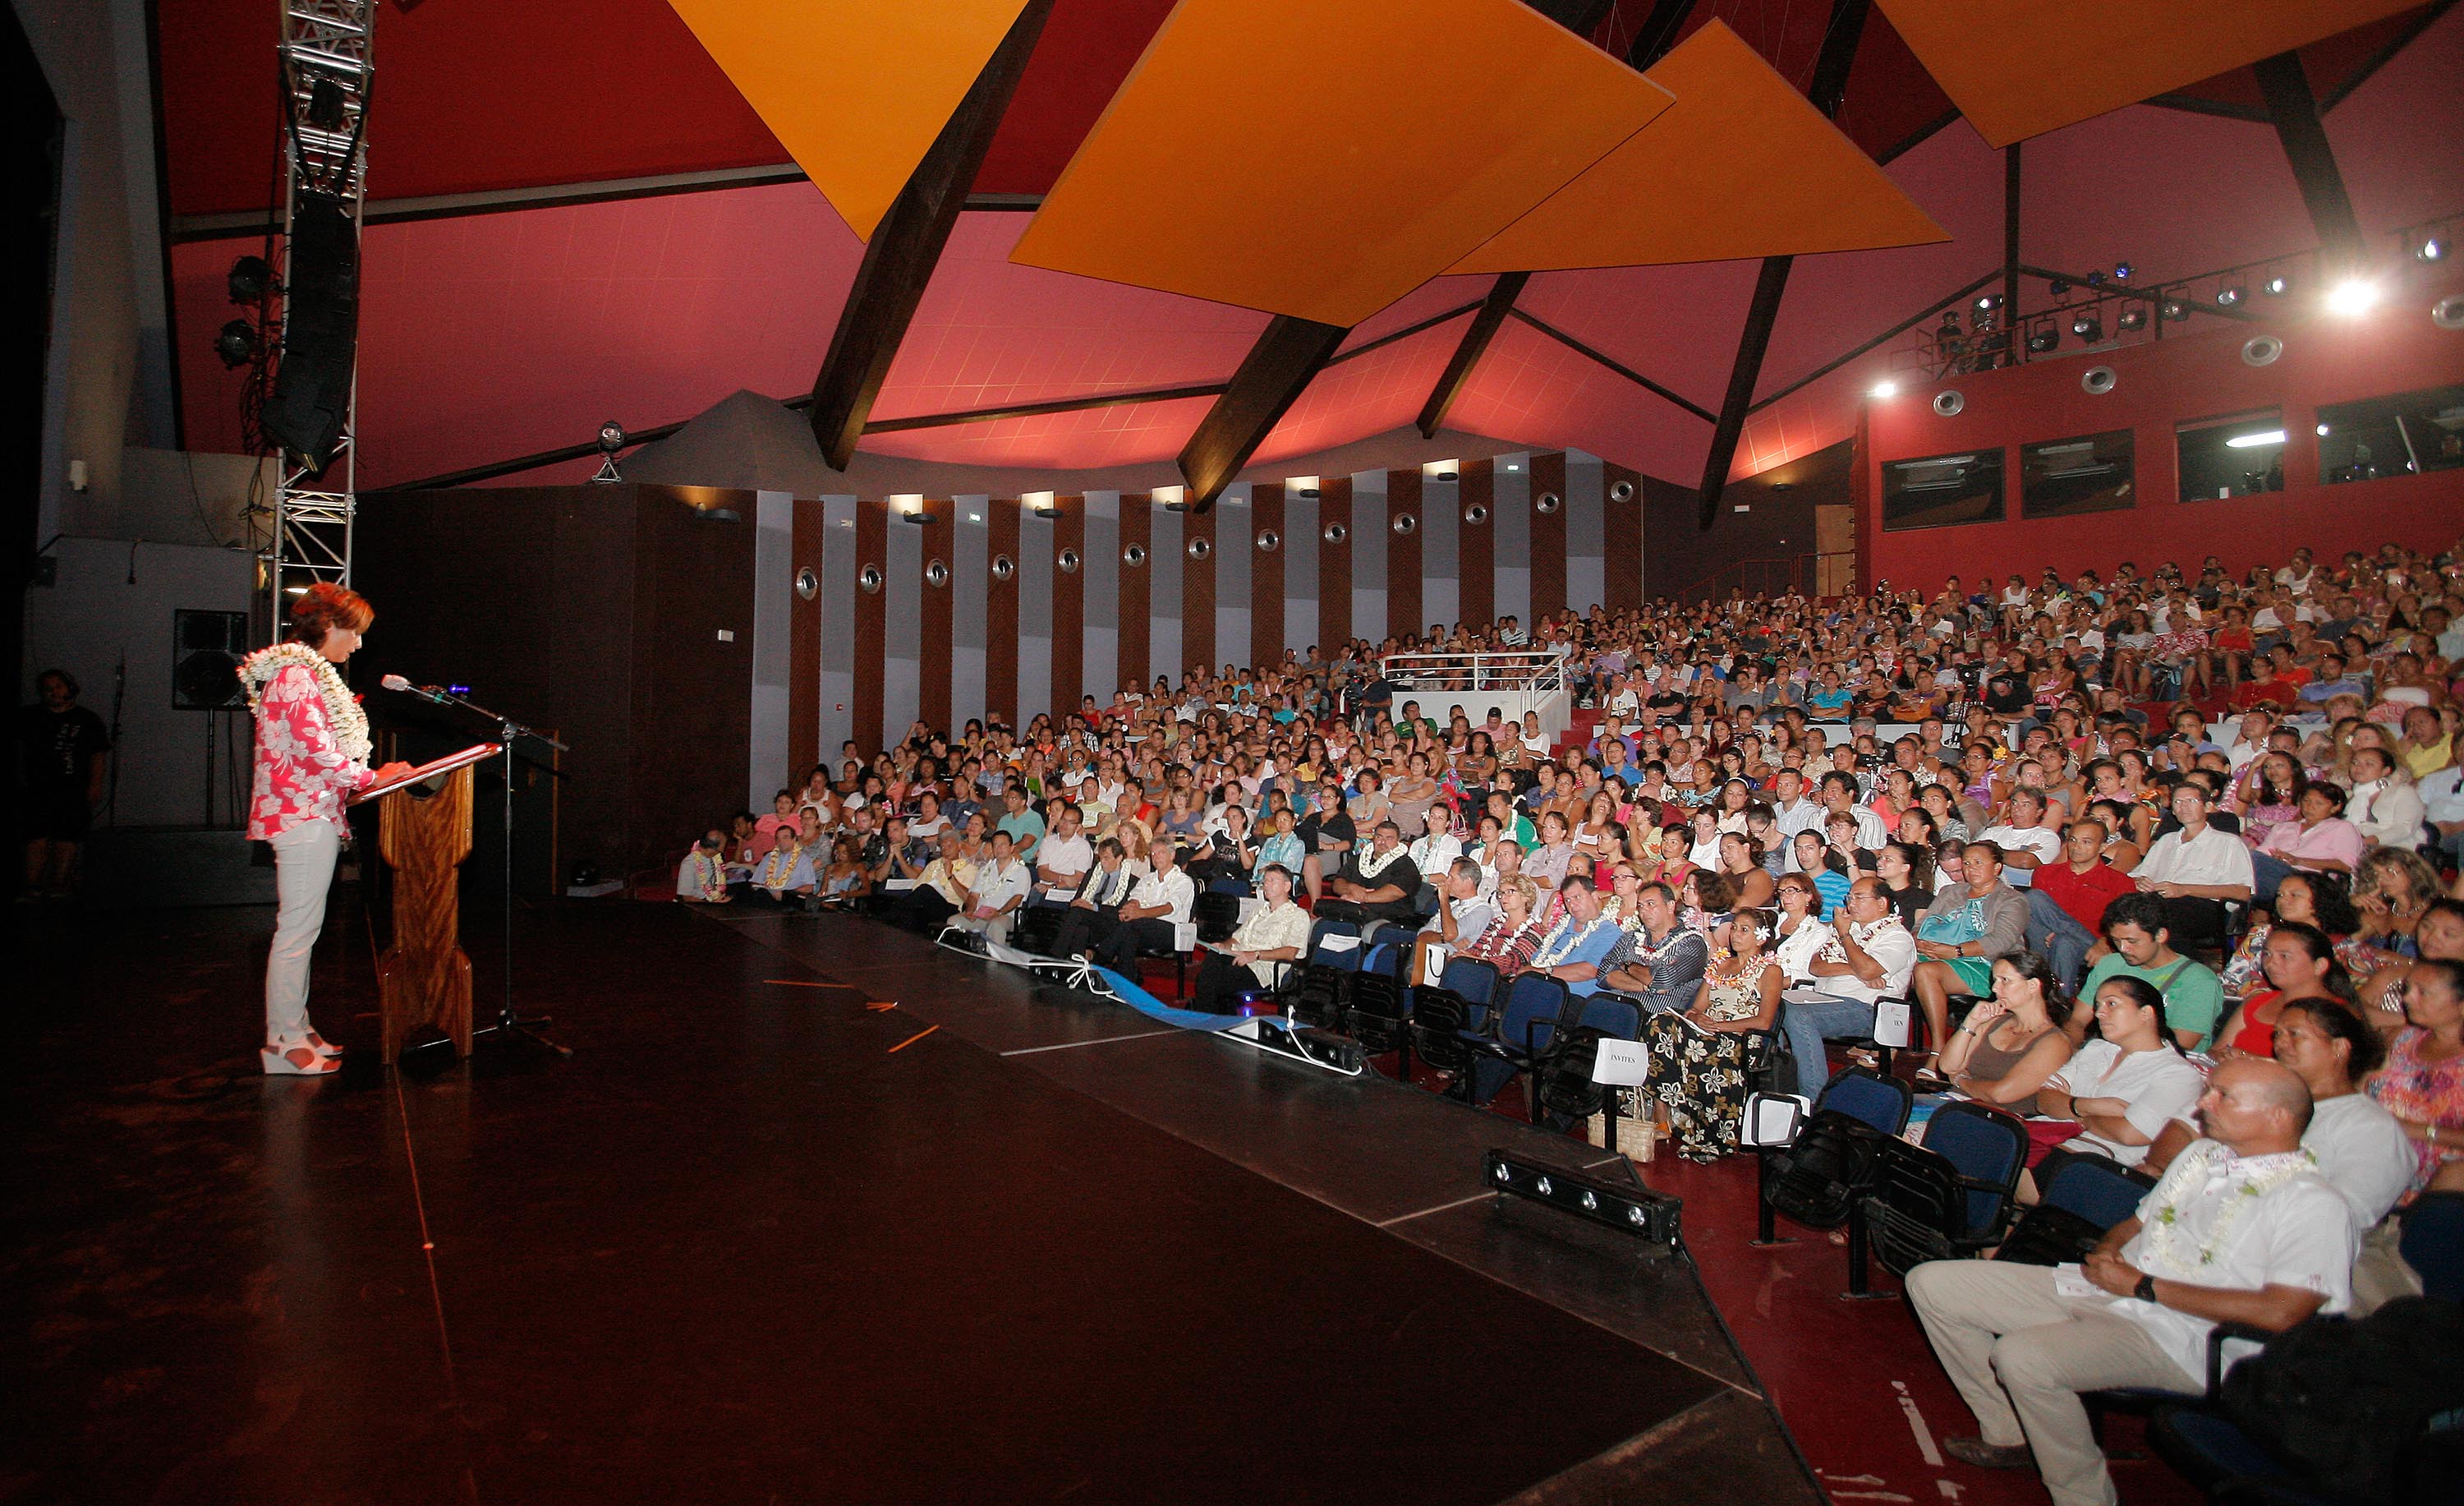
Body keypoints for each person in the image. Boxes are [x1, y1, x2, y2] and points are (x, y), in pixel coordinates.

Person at [1905, 1058, 2355, 1506]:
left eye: (2223, 1096)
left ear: (2278, 1116)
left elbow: (2284, 1312)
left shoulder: (2314, 1203)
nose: (2203, 1104)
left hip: (2191, 1337)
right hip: (2112, 1290)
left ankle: (2083, 1497)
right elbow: (2136, 1222)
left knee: (2022, 1357)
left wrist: (2142, 1286)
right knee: (1932, 1284)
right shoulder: (2202, 1155)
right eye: (2209, 1090)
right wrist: (2108, 1252)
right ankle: (2011, 1432)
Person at [240, 584, 414, 1075]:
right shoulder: (297, 676)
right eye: (354, 633)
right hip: (300, 816)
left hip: (310, 813)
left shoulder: (303, 675)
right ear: (329, 627)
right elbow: (315, 750)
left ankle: (296, 1025)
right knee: (296, 932)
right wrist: (371, 777)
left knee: (304, 930)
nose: (357, 645)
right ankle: (281, 1040)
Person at [2033, 975, 2209, 1178]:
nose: (2099, 1013)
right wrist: (2093, 1106)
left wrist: (2075, 1114)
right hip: (2047, 1139)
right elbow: (2044, 1100)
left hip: (2096, 1163)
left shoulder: (2177, 1073)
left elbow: (2131, 1134)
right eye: (2098, 1005)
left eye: (2112, 1004)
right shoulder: (2097, 1049)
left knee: (2006, 1161)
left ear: (2146, 1013)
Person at [1643, 906, 1783, 1162]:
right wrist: (1698, 1018)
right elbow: (1696, 1008)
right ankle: (1662, 1117)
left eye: (1744, 930)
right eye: (1734, 928)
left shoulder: (1770, 971)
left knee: (1699, 1047)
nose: (1736, 935)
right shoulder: (1719, 964)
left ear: (1761, 937)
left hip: (1740, 1039)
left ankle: (1699, 1124)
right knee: (1659, 1023)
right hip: (1707, 1031)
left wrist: (1720, 1027)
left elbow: (1764, 1022)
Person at [1782, 876, 1919, 1098]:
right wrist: (1856, 967)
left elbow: (1868, 971)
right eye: (1849, 897)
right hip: (1823, 998)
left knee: (1797, 1015)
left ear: (1882, 903)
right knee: (1773, 1006)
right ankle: (1776, 1087)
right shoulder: (1848, 929)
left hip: (1869, 1009)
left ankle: (1815, 1098)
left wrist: (1846, 938)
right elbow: (1816, 967)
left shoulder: (1896, 936)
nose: (1850, 903)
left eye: (1859, 897)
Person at [1907, 842, 2031, 1076]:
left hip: (1986, 963)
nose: (1970, 868)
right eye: (1966, 863)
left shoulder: (2012, 900)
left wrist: (1955, 951)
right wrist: (1918, 940)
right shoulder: (1950, 893)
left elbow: (2000, 941)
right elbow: (1922, 924)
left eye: (1978, 863)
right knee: (1898, 962)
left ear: (1997, 868)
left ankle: (1938, 1049)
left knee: (1925, 972)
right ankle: (1885, 1044)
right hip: (1938, 954)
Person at [2076, 892, 2227, 1052]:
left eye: (2132, 941)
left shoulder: (2199, 981)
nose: (2123, 948)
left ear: (2160, 935)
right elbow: (2077, 1021)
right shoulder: (2109, 964)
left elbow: (2180, 1046)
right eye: (2116, 940)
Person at [1934, 951, 2074, 1108]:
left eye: (2005, 980)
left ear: (2033, 985)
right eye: (1995, 980)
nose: (1994, 988)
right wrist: (1972, 1022)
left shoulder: (2054, 1043)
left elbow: (2000, 1095)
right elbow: (1947, 1066)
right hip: (1958, 1104)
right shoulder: (1993, 1021)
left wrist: (1961, 1080)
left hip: (2001, 1119)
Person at [18, 668, 110, 902]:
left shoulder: (87, 720)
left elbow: (97, 755)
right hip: (37, 788)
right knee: (36, 836)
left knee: (67, 837)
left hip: (73, 789)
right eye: (48, 688)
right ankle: (32, 885)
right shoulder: (29, 717)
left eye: (58, 686)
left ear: (70, 688)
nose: (53, 692)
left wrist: (95, 784)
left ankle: (60, 883)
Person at [2129, 781, 2254, 951]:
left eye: (2191, 801)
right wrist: (2139, 882)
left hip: (2205, 907)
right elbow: (2137, 875)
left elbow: (2242, 892)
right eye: (2178, 802)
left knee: (2166, 913)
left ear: (2208, 807)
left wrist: (2184, 889)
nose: (2184, 807)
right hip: (2155, 903)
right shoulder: (2166, 841)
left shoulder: (2228, 842)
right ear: (2172, 810)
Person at [2209, 921, 2354, 1062]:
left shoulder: (2337, 1014)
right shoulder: (2258, 1002)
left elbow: (2321, 1074)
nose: (2271, 963)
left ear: (2319, 965)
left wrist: (2252, 1061)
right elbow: (2216, 1050)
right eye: (2267, 954)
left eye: (2284, 956)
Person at [2026, 820, 2136, 992]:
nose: (2076, 847)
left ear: (2102, 847)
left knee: (2064, 941)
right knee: (2035, 900)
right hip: (2046, 942)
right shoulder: (2045, 873)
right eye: (2072, 840)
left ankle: (2058, 1002)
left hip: (2092, 948)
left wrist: (2105, 943)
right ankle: (2061, 1002)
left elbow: (2127, 926)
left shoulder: (2120, 882)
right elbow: (2037, 918)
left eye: (2086, 842)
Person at [1191, 864, 1310, 1013]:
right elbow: (1237, 939)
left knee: (1215, 980)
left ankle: (1207, 1015)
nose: (1267, 885)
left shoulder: (1298, 915)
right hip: (1241, 957)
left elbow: (1290, 952)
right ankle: (1210, 1014)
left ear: (1287, 886)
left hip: (1263, 967)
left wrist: (1255, 955)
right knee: (1213, 958)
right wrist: (1224, 946)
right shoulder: (1259, 911)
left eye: (1272, 881)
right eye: (1265, 881)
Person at [1598, 879, 1710, 1016]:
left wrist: (1628, 966)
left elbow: (1663, 981)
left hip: (1655, 1020)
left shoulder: (1692, 943)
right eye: (1640, 906)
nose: (1643, 910)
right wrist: (1647, 986)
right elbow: (1604, 972)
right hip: (1615, 1009)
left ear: (1670, 906)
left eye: (1650, 904)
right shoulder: (1631, 937)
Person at [1091, 841, 1195, 974]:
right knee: (1130, 935)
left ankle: (1099, 958)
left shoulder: (1183, 881)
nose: (1156, 857)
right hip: (1142, 927)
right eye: (1153, 854)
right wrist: (1130, 909)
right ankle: (1127, 980)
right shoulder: (1147, 879)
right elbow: (1135, 898)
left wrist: (1140, 913)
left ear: (1172, 855)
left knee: (1132, 924)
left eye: (1161, 853)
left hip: (1171, 930)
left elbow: (1168, 908)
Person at [949, 828, 1032, 945]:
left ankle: (995, 959)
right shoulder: (984, 870)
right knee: (953, 921)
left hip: (1006, 916)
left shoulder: (1021, 871)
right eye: (996, 845)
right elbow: (973, 895)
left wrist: (999, 913)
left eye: (1003, 845)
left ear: (1012, 848)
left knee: (996, 924)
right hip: (980, 915)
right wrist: (970, 911)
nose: (999, 848)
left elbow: (1017, 898)